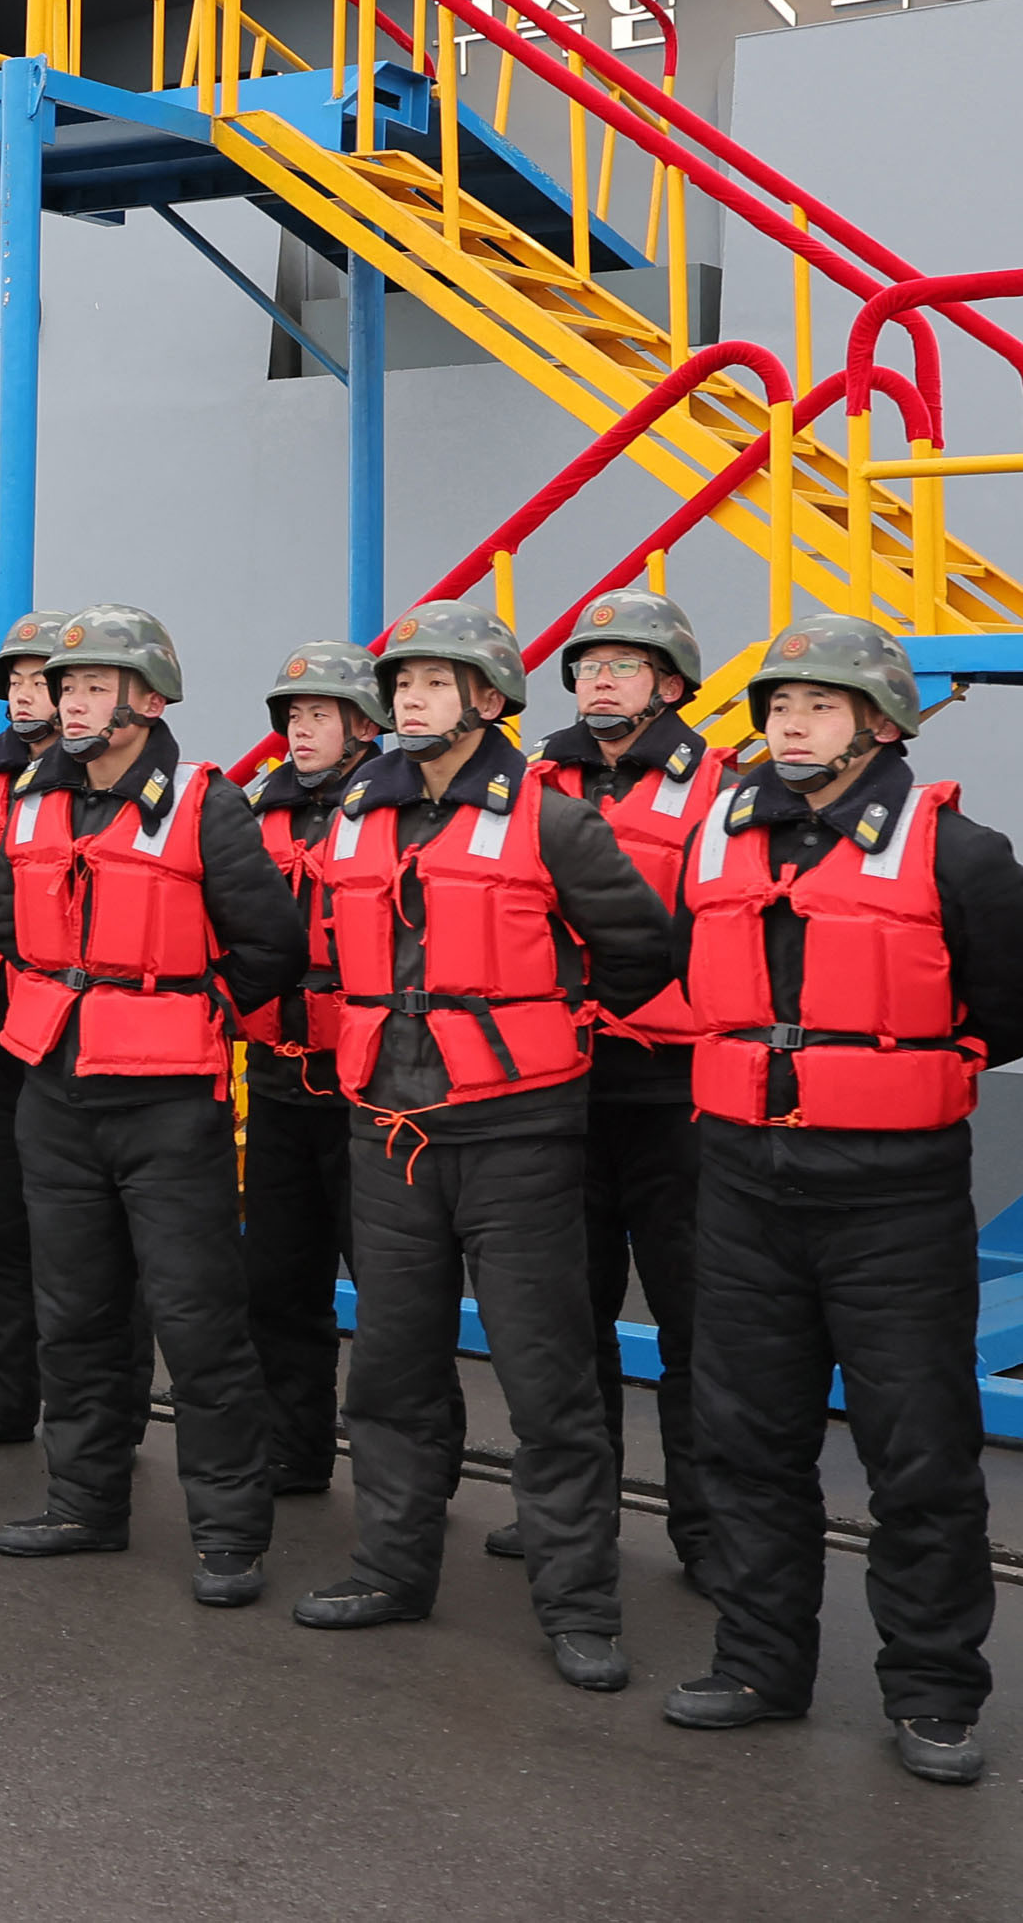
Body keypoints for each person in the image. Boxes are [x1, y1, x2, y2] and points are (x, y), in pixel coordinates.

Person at [663, 615, 1023, 1788]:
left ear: (880, 725)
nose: (790, 725)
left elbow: (1017, 1009)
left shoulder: (959, 853)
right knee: (746, 1441)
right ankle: (758, 1665)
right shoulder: (719, 840)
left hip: (893, 1199)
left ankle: (933, 1691)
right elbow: (693, 968)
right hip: (743, 1185)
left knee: (919, 1453)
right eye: (779, 705)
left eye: (819, 706)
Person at [294, 599, 673, 1693]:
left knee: (546, 1381)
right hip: (388, 1131)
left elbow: (642, 950)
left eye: (433, 682)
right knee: (391, 1371)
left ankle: (578, 1605)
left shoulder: (552, 820)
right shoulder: (358, 812)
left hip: (517, 1136)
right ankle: (391, 1569)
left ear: (489, 699)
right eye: (401, 684)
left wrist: (539, 1027)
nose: (410, 700)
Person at [0, 603, 305, 1601]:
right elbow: (4, 926)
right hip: (54, 1091)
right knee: (72, 1314)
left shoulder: (204, 802)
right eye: (64, 686)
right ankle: (83, 1504)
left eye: (93, 686)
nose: (71, 703)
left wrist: (184, 1013)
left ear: (149, 701)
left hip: (167, 1102)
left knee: (198, 1321)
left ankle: (230, 1534)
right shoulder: (33, 796)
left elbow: (272, 945)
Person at [509, 589, 719, 1580]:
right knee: (564, 1318)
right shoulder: (526, 783)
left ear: (669, 683)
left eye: (623, 666)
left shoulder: (722, 787)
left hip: (676, 1092)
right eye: (587, 666)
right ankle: (570, 1517)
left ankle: (707, 1529)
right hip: (557, 1085)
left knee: (695, 1320)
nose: (599, 681)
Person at [236, 639, 383, 1495]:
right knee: (278, 1282)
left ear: (361, 724)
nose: (299, 729)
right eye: (292, 715)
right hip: (277, 1077)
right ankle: (291, 1449)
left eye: (318, 714)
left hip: (372, 1087)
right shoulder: (255, 810)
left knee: (393, 1296)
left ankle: (410, 1471)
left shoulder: (397, 806)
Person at [0, 609, 69, 1446]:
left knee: (82, 1233)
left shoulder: (107, 780)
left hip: (76, 1028)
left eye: (41, 680)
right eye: (16, 681)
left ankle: (96, 1410)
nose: (25, 695)